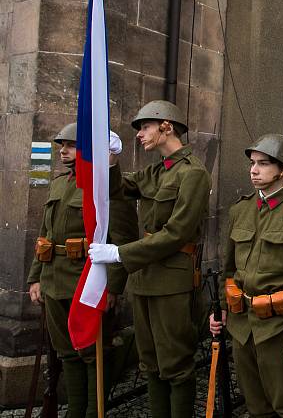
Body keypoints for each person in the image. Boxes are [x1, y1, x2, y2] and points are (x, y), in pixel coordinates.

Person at [89, 100, 211, 418]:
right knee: (151, 363)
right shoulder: (155, 171)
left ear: (166, 127)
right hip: (144, 278)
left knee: (176, 364)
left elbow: (177, 233)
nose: (140, 135)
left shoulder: (193, 174)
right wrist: (111, 161)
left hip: (172, 280)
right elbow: (116, 190)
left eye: (144, 127)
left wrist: (120, 253)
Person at [210, 134, 283, 418]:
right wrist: (222, 309)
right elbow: (228, 270)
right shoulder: (241, 210)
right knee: (256, 406)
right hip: (242, 328)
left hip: (279, 330)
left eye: (263, 164)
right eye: (252, 163)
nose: (253, 170)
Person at [27, 123, 138, 418]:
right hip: (53, 279)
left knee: (91, 353)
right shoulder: (59, 184)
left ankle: (93, 412)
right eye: (61, 146)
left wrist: (114, 286)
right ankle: (75, 411)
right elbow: (44, 235)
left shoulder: (105, 187)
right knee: (66, 352)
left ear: (88, 150)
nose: (63, 151)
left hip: (87, 282)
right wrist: (35, 277)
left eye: (71, 146)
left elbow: (123, 238)